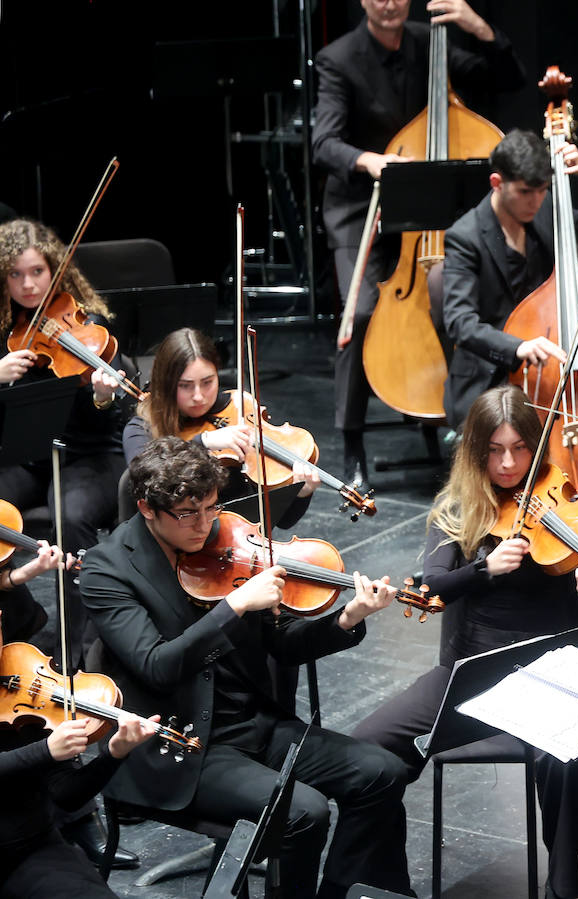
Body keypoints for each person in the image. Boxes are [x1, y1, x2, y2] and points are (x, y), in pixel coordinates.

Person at [79, 437, 413, 898]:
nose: (204, 524)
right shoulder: (106, 570)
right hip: (180, 744)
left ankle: (339, 892)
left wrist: (347, 617)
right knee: (304, 812)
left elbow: (283, 645)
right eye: (187, 514)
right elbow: (157, 666)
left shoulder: (227, 542)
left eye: (211, 507)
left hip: (253, 723)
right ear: (147, 508)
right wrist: (233, 605)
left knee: (382, 772)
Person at [352, 384, 578, 898]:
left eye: (520, 449)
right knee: (367, 746)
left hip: (544, 676)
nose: (509, 463)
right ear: (476, 452)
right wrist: (482, 569)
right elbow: (426, 587)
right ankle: (383, 880)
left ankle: (564, 872)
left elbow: (576, 617)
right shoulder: (460, 508)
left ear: (537, 449)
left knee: (568, 748)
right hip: (468, 675)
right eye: (495, 450)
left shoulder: (563, 508)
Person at [314, 0, 525, 490]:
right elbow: (324, 142)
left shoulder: (431, 42)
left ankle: (467, 424)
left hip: (431, 219)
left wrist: (481, 27)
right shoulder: (339, 58)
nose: (388, 3)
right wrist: (373, 162)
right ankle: (351, 446)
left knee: (463, 299)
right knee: (362, 312)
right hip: (363, 208)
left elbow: (507, 78)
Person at [0, 218, 130, 667]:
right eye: (15, 275)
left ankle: (80, 643)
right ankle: (21, 618)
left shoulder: (87, 328)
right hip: (28, 456)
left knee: (68, 516)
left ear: (56, 271)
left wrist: (100, 394)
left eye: (37, 272)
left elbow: (111, 416)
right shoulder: (6, 332)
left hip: (90, 455)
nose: (28, 284)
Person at [438, 129, 578, 431]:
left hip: (548, 371)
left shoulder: (545, 207)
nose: (536, 200)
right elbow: (460, 322)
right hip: (492, 374)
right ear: (497, 183)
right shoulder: (465, 236)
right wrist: (516, 347)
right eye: (525, 192)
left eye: (542, 190)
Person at [0, 650, 161, 899]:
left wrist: (114, 754)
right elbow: (41, 753)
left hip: (28, 849)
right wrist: (44, 750)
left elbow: (66, 794)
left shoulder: (19, 680)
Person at [122, 327, 318, 529]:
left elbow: (277, 522)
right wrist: (203, 442)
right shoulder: (142, 427)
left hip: (239, 543)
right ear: (166, 384)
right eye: (185, 385)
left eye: (207, 382)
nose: (198, 396)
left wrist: (300, 494)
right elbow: (146, 476)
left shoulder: (239, 412)